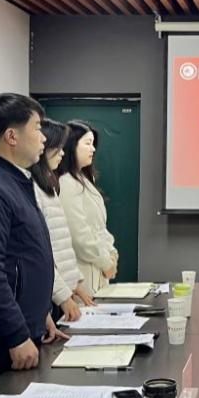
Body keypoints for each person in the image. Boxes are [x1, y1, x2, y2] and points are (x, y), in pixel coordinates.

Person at [0, 93, 68, 384]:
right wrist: (15, 333)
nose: (44, 137)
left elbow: (24, 255)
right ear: (12, 136)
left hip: (29, 330)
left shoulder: (15, 180)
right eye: (37, 128)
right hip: (6, 343)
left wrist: (41, 314)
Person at [29, 118, 95, 323]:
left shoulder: (49, 185)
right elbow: (43, 253)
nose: (62, 153)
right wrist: (63, 295)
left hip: (60, 291)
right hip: (51, 294)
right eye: (57, 148)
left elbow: (61, 246)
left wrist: (75, 284)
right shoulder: (33, 187)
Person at [57, 120, 118, 296]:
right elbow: (79, 236)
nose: (93, 149)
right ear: (71, 146)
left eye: (93, 144)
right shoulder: (66, 183)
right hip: (83, 274)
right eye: (87, 143)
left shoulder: (84, 180)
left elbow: (100, 228)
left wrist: (112, 254)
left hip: (98, 271)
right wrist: (106, 262)